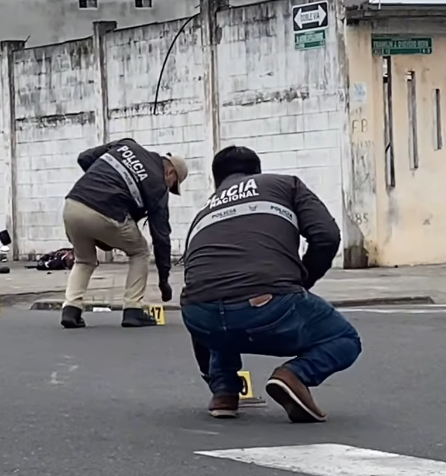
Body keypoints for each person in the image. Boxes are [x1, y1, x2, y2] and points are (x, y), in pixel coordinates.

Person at [180, 145, 362, 421]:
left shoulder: (202, 212)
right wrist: (303, 281)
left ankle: (224, 392)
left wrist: (209, 371)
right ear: (257, 172)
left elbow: (199, 282)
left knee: (216, 302)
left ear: (216, 180)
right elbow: (326, 236)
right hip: (268, 304)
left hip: (199, 316)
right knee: (345, 339)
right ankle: (295, 375)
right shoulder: (286, 185)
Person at [60, 138, 189, 329]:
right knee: (140, 251)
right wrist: (164, 281)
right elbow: (161, 237)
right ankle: (133, 309)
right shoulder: (159, 187)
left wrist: (102, 185)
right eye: (173, 185)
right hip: (106, 213)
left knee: (84, 260)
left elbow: (84, 158)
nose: (169, 189)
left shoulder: (127, 145)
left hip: (72, 205)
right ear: (170, 172)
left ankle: (71, 309)